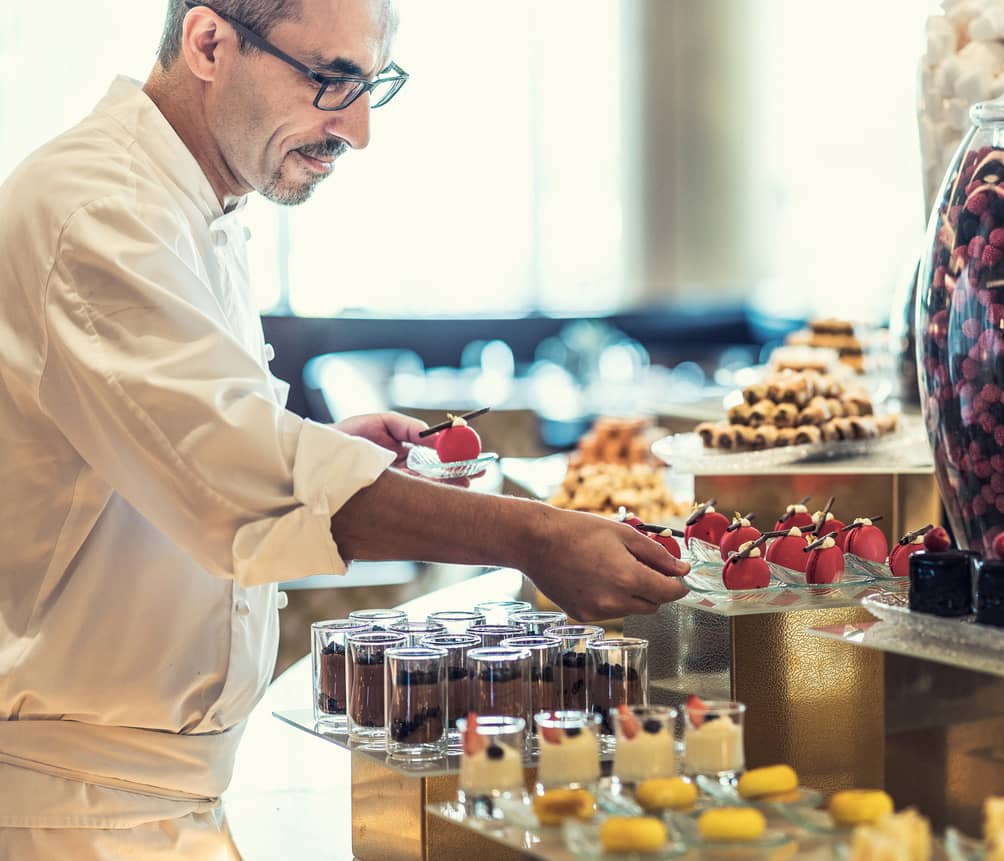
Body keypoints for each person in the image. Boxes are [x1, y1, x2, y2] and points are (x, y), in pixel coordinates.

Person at [0, 0, 689, 856]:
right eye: (332, 81)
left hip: (157, 792)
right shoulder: (95, 208)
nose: (357, 130)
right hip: (81, 808)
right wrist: (535, 535)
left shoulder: (190, 204)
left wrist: (336, 451)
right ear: (209, 43)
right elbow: (237, 474)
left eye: (371, 87)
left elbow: (179, 446)